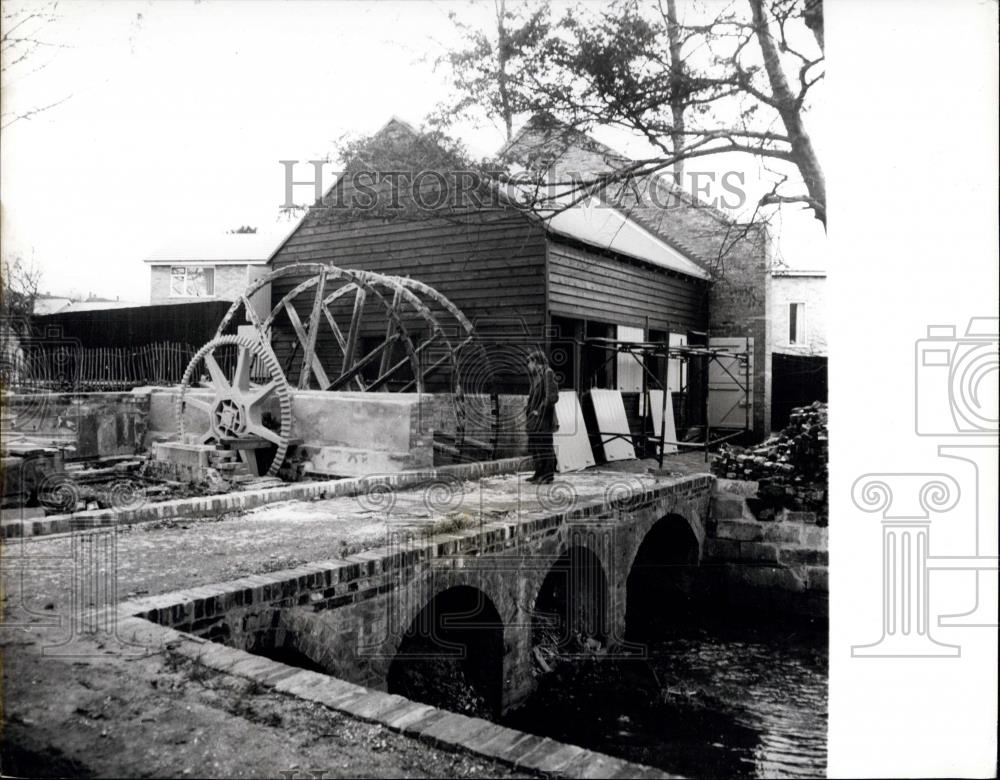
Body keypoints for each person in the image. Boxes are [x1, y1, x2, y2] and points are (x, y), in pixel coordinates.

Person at [525, 349, 560, 483]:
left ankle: (547, 476)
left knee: (545, 447)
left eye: (529, 363)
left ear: (536, 362)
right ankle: (538, 474)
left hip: (544, 418)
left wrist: (538, 410)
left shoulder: (548, 373)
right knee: (536, 446)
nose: (528, 367)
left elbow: (552, 397)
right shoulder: (537, 376)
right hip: (535, 420)